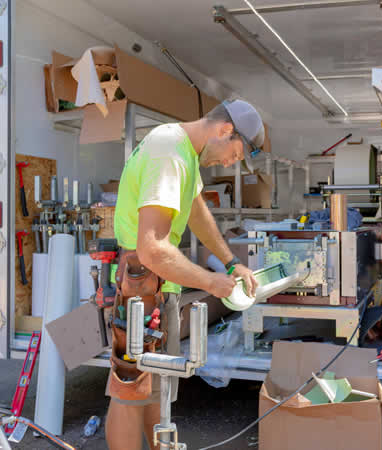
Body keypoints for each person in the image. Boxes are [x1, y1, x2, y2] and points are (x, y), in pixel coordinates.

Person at [105, 99, 264, 450]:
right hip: (142, 285)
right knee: (130, 392)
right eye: (237, 154)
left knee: (154, 391)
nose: (231, 162)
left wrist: (229, 261)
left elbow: (195, 210)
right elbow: (152, 248)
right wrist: (212, 282)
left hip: (156, 287)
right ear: (225, 130)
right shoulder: (169, 153)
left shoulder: (184, 154)